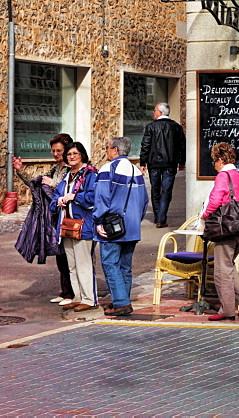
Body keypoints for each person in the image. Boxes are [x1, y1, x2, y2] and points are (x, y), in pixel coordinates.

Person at [13, 133, 74, 305]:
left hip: (68, 216)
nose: (55, 154)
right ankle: (65, 292)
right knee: (60, 255)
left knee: (68, 256)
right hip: (54, 217)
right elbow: (36, 183)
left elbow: (71, 190)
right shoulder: (55, 169)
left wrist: (53, 185)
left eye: (59, 151)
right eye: (53, 151)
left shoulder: (72, 169)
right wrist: (20, 170)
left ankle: (72, 294)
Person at [94, 137, 149, 317]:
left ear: (115, 150)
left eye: (107, 148)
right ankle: (122, 299)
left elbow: (102, 198)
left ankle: (121, 302)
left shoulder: (108, 169)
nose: (106, 151)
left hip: (113, 226)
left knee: (110, 263)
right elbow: (144, 201)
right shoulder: (136, 170)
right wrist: (136, 220)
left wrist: (98, 221)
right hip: (132, 226)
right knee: (125, 265)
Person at [201, 142, 239, 322]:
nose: (213, 164)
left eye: (215, 160)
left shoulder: (223, 176)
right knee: (228, 266)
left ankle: (227, 310)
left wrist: (205, 215)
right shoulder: (238, 176)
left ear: (221, 160)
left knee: (221, 271)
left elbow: (215, 200)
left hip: (226, 229)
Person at [50, 141, 100, 313]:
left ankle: (89, 298)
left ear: (82, 155)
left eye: (75, 154)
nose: (71, 157)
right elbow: (55, 196)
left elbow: (94, 197)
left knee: (84, 263)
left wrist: (74, 196)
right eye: (69, 154)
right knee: (72, 264)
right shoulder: (67, 175)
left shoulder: (89, 174)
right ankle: (78, 296)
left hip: (83, 225)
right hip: (66, 225)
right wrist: (57, 200)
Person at [139, 102, 186, 228]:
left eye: (154, 110)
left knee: (155, 190)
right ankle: (161, 218)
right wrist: (182, 162)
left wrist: (143, 162)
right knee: (166, 191)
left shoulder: (151, 127)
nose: (153, 112)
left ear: (160, 112)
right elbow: (182, 146)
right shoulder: (176, 127)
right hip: (170, 163)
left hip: (154, 163)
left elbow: (145, 145)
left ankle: (158, 216)